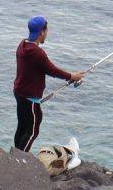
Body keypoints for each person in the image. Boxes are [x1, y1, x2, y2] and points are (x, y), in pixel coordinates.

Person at [12, 16, 83, 151]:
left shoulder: (22, 45)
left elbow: (43, 69)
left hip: (19, 92)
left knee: (22, 126)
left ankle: (15, 155)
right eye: (47, 30)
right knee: (33, 130)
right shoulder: (37, 53)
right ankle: (19, 160)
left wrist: (69, 77)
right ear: (42, 32)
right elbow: (51, 70)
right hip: (29, 97)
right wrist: (72, 76)